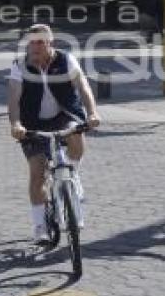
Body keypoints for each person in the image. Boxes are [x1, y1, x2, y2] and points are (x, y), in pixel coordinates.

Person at [7, 24, 102, 245]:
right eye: (31, 42)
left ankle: (73, 173)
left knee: (75, 135)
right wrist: (16, 123)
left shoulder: (66, 60)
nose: (35, 46)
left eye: (40, 42)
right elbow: (13, 97)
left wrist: (93, 113)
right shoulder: (20, 66)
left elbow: (83, 86)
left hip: (64, 114)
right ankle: (40, 224)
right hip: (32, 122)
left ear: (50, 43)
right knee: (37, 173)